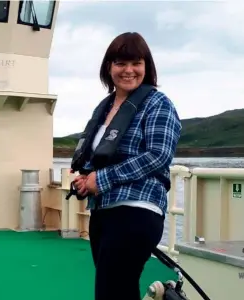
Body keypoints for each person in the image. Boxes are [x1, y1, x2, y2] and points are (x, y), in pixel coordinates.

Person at [72, 32, 182, 300]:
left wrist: (103, 179)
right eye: (120, 63)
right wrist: (85, 179)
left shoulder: (158, 104)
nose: (129, 70)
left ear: (147, 67)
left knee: (113, 290)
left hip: (137, 211)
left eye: (136, 63)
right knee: (117, 291)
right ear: (109, 67)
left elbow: (158, 156)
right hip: (103, 212)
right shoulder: (106, 107)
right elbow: (97, 156)